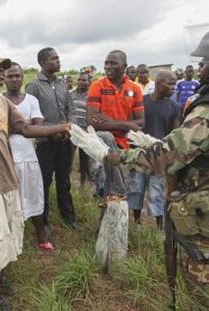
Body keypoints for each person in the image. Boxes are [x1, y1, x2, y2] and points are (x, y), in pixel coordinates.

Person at [71, 31, 209, 309]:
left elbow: (161, 154)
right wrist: (153, 142)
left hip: (200, 211)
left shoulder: (203, 110)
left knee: (200, 286)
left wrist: (106, 153)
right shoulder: (99, 86)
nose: (202, 68)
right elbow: (96, 120)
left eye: (205, 61)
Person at [0, 51, 72, 310]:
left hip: (8, 180)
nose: (2, 72)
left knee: (7, 235)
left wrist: (61, 127)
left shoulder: (3, 104)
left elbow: (26, 129)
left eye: (4, 68)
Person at [85, 49, 144, 272]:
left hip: (125, 150)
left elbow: (141, 122)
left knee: (116, 194)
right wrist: (126, 124)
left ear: (125, 65)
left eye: (113, 63)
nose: (108, 67)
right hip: (101, 150)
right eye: (106, 63)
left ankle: (111, 237)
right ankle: (104, 237)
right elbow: (93, 123)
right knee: (108, 191)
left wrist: (113, 122)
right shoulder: (97, 86)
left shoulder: (134, 89)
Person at [3, 62, 55, 254]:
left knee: (34, 196)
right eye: (10, 76)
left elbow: (37, 127)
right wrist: (25, 126)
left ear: (23, 77)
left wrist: (18, 127)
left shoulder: (31, 99)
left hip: (29, 157)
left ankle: (41, 237)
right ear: (4, 78)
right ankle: (12, 239)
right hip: (7, 159)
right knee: (10, 200)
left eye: (17, 75)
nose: (14, 79)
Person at [26, 47, 78, 233]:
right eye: (53, 59)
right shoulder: (34, 86)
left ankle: (69, 218)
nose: (58, 61)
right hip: (46, 143)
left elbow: (70, 109)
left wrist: (68, 126)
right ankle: (44, 221)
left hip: (65, 141)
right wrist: (50, 131)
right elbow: (31, 116)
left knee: (64, 181)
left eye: (58, 58)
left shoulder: (63, 83)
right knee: (44, 182)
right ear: (42, 63)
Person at [127, 70, 180, 229]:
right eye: (170, 84)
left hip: (159, 157)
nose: (174, 87)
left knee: (156, 192)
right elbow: (132, 125)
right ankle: (137, 224)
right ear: (158, 83)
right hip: (140, 154)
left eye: (175, 84)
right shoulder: (141, 102)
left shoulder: (175, 107)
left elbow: (175, 134)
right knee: (136, 188)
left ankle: (158, 228)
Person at [70, 72, 91, 185]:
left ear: (89, 82)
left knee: (84, 159)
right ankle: (68, 181)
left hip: (85, 131)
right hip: (72, 131)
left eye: (84, 80)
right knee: (68, 158)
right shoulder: (71, 94)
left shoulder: (91, 96)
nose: (81, 82)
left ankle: (84, 182)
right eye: (79, 80)